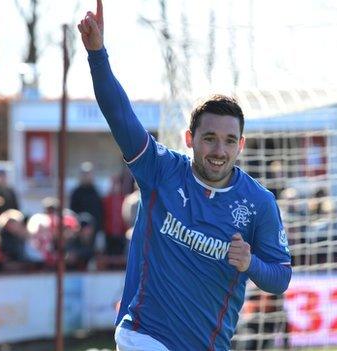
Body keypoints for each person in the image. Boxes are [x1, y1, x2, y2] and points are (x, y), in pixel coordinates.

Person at [77, 2, 292, 350]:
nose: (219, 150)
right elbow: (119, 115)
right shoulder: (161, 169)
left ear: (241, 145)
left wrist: (250, 262)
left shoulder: (258, 203)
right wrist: (97, 55)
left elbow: (281, 277)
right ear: (190, 139)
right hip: (142, 335)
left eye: (229, 141)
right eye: (209, 138)